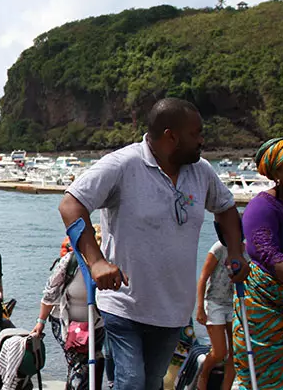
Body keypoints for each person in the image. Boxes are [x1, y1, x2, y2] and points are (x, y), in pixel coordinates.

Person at [58, 98, 247, 390]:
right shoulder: (123, 165)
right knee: (132, 382)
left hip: (172, 308)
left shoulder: (202, 171)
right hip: (124, 303)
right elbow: (71, 204)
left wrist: (235, 253)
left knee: (151, 382)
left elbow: (226, 209)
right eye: (196, 133)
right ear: (172, 136)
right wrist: (96, 262)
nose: (202, 140)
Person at [234, 138, 283, 390]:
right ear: (276, 173)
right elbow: (269, 257)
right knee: (266, 383)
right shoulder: (262, 207)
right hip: (266, 311)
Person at [30, 225, 106, 390]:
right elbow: (50, 294)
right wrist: (40, 321)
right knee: (78, 365)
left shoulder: (109, 263)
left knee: (94, 364)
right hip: (68, 324)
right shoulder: (70, 261)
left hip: (97, 325)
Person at [195, 230, 237, 390]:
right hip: (214, 302)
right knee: (220, 352)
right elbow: (203, 277)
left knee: (235, 353)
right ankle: (204, 373)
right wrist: (200, 308)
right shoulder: (218, 248)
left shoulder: (245, 250)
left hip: (234, 304)